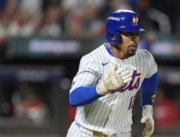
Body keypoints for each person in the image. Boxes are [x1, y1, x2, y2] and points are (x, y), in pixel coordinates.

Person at [66, 9, 159, 137]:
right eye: (129, 34)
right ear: (114, 35)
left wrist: (147, 108)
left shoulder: (144, 58)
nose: (134, 39)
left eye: (136, 34)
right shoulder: (93, 60)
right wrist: (101, 88)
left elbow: (152, 74)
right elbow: (74, 98)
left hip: (122, 134)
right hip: (86, 132)